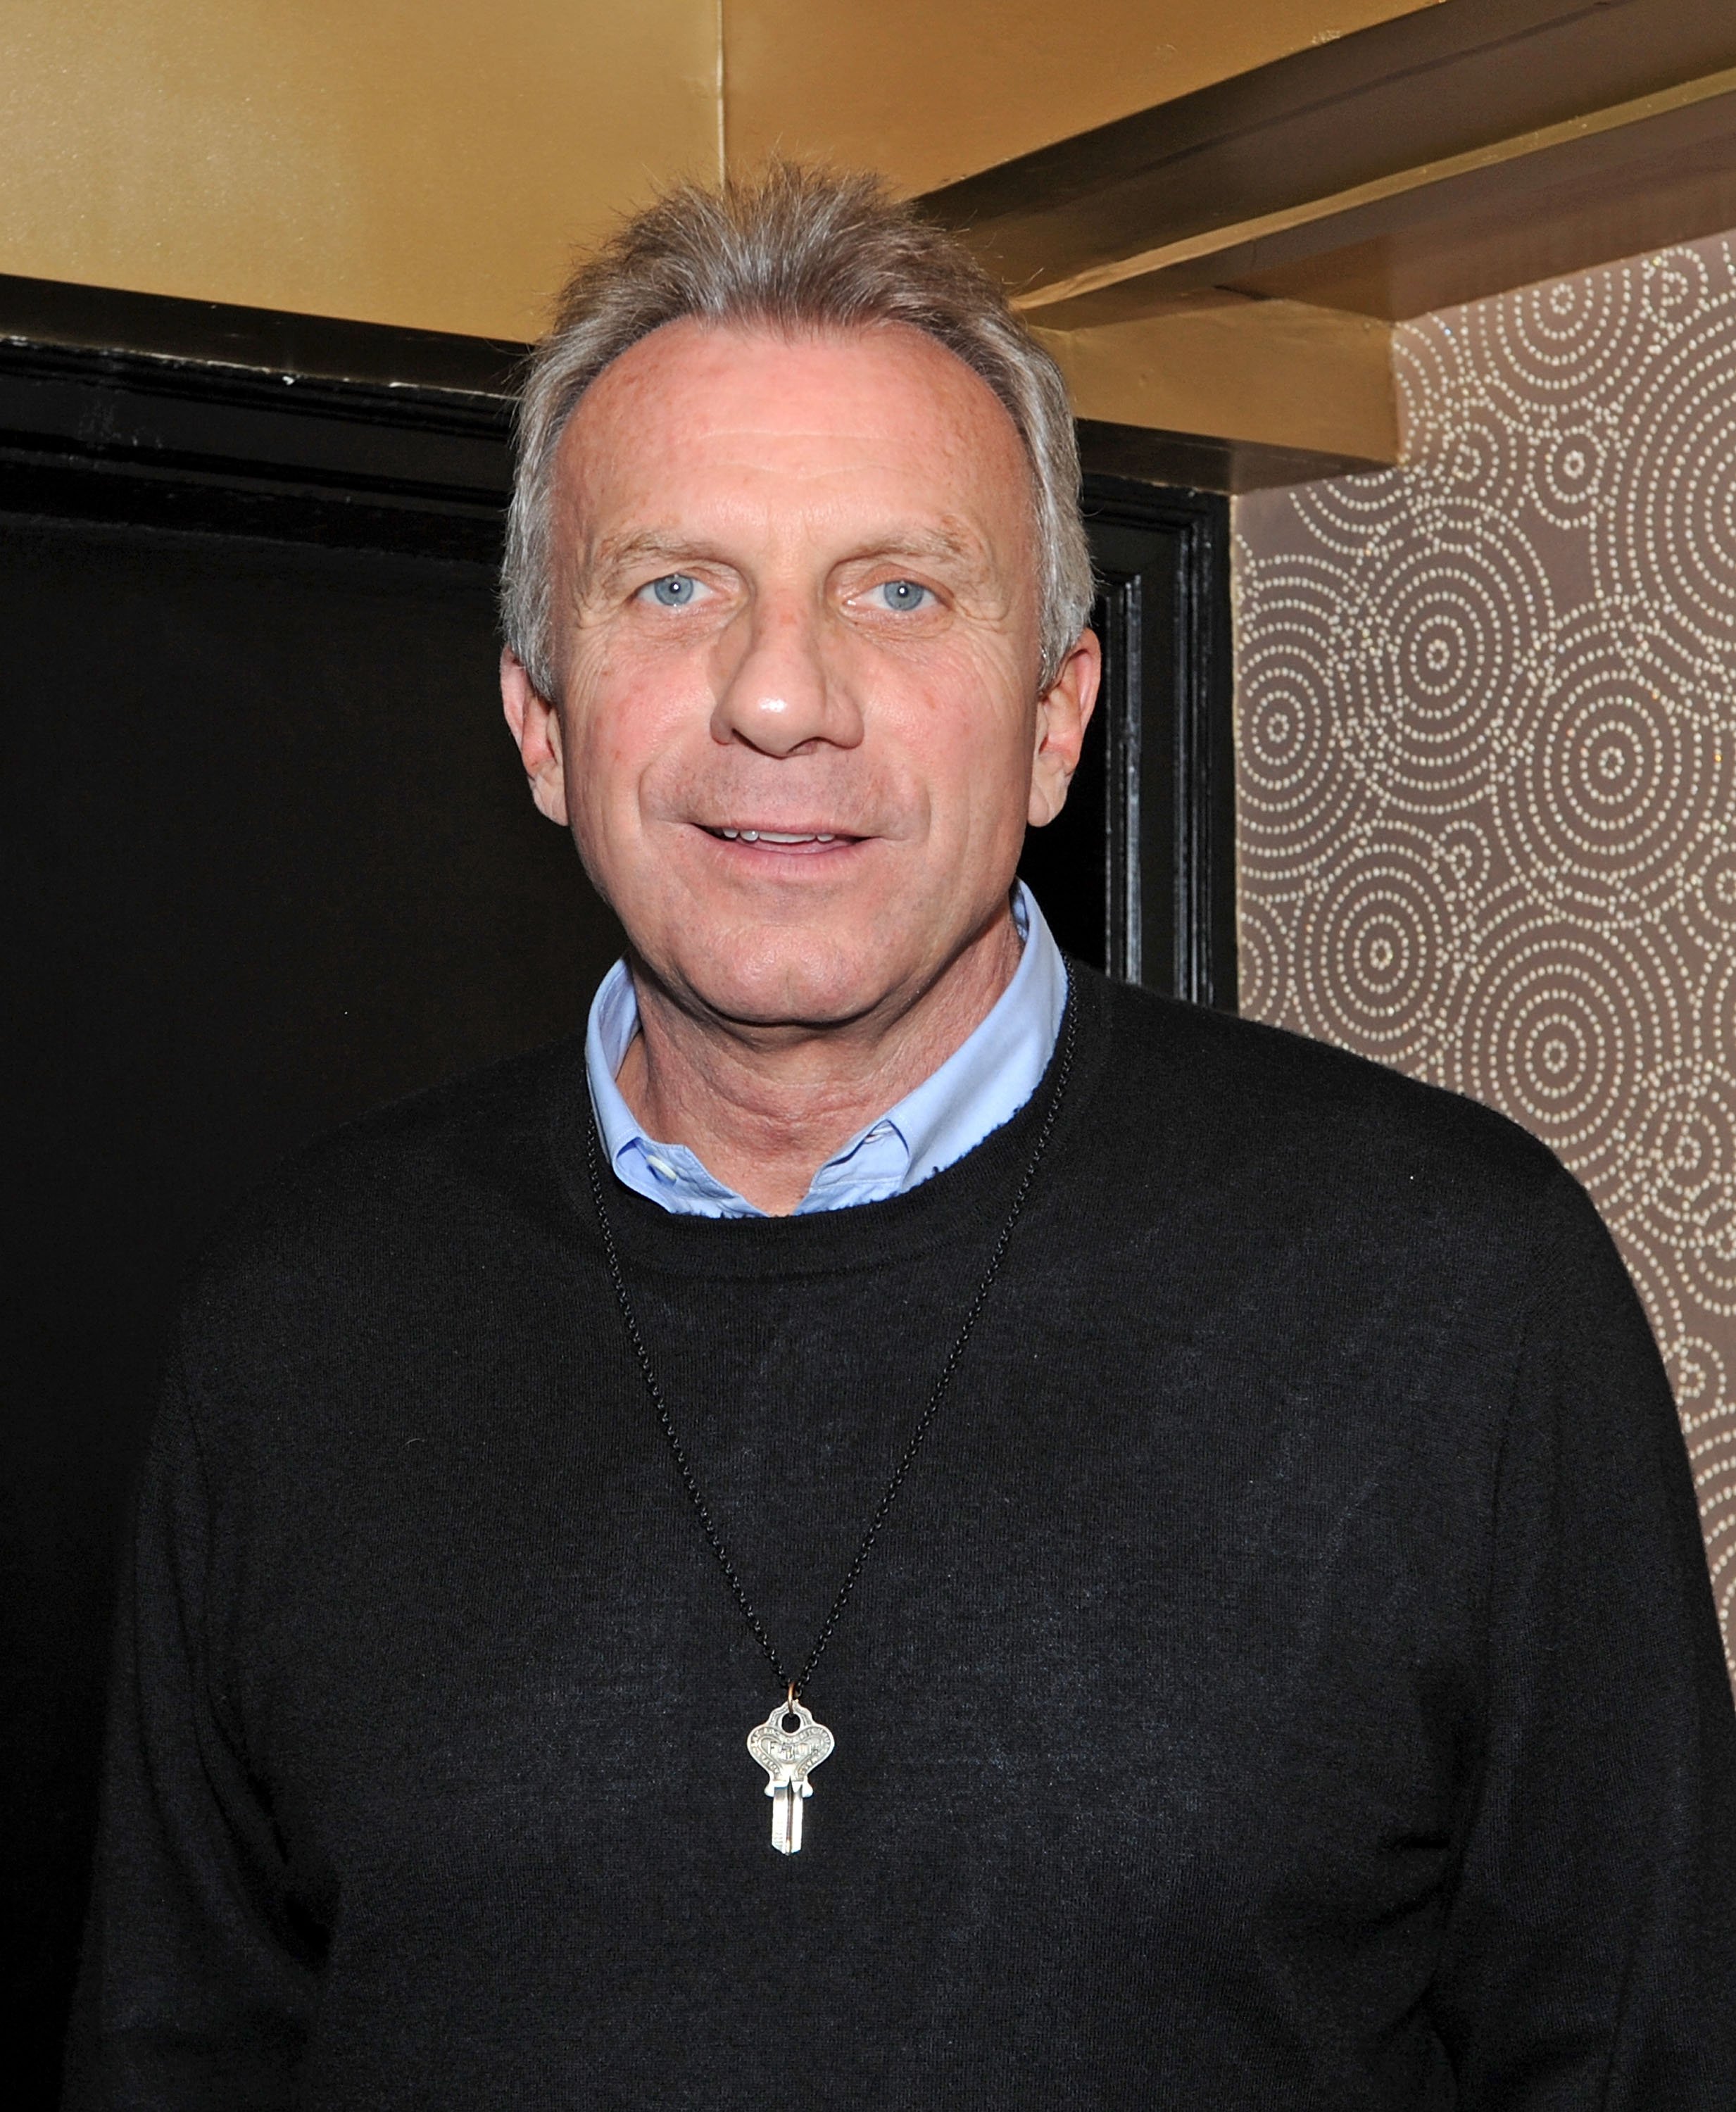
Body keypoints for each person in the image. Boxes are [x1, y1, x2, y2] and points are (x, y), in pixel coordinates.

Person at [67, 165, 1736, 2110]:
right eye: (674, 586)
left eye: (902, 589)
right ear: (540, 718)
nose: (781, 696)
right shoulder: (295, 1325)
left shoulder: (1455, 1290)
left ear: (1054, 719)